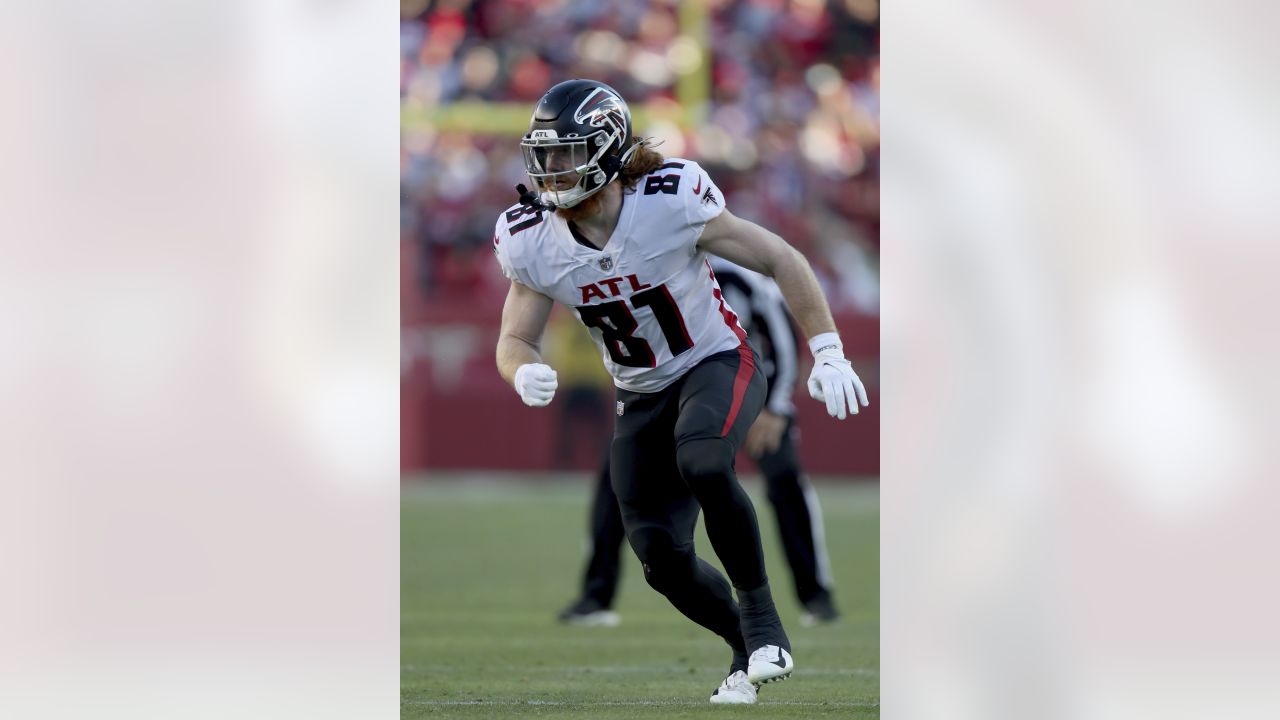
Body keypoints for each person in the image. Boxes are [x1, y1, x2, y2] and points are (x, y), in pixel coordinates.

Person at [493, 79, 868, 705]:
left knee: (702, 456)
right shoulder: (530, 238)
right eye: (546, 154)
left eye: (568, 152)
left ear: (608, 149)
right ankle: (745, 651)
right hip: (638, 394)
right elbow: (515, 337)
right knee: (660, 560)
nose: (552, 169)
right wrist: (519, 369)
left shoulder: (669, 199)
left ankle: (766, 621)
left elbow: (781, 258)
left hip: (714, 360)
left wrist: (827, 349)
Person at [558, 257, 842, 629]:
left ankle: (815, 595)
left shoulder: (739, 276)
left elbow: (782, 335)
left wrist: (777, 406)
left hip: (746, 387)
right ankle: (596, 594)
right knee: (618, 479)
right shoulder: (653, 266)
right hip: (673, 396)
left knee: (785, 479)